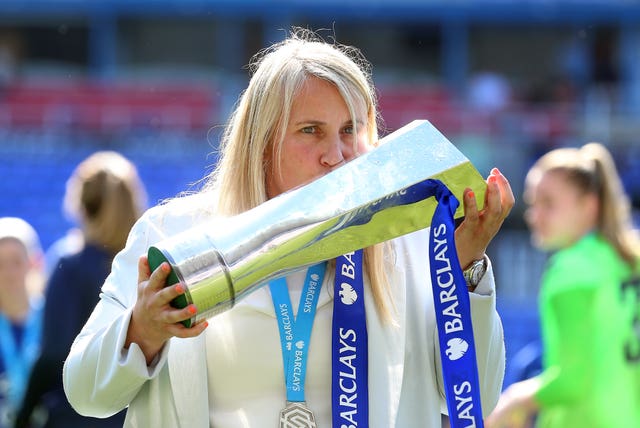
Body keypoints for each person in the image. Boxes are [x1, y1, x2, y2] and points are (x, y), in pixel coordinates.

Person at [63, 28, 514, 427]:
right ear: (262, 145)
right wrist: (142, 331)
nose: (336, 154)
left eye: (350, 130)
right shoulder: (170, 233)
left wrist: (464, 267)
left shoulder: (405, 239)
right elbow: (84, 394)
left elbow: (474, 392)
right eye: (311, 130)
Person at [486, 142, 640, 428]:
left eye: (549, 203)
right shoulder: (628, 259)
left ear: (589, 205)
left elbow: (571, 382)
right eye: (533, 203)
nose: (535, 215)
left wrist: (513, 400)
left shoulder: (571, 269)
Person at [15, 151, 147, 428]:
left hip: (74, 416)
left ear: (81, 207)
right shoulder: (145, 266)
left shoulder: (70, 266)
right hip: (134, 416)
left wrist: (22, 415)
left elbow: (53, 353)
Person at [0, 218, 45, 428]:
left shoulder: (53, 320)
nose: (9, 273)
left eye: (16, 262)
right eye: (0, 264)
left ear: (33, 263)